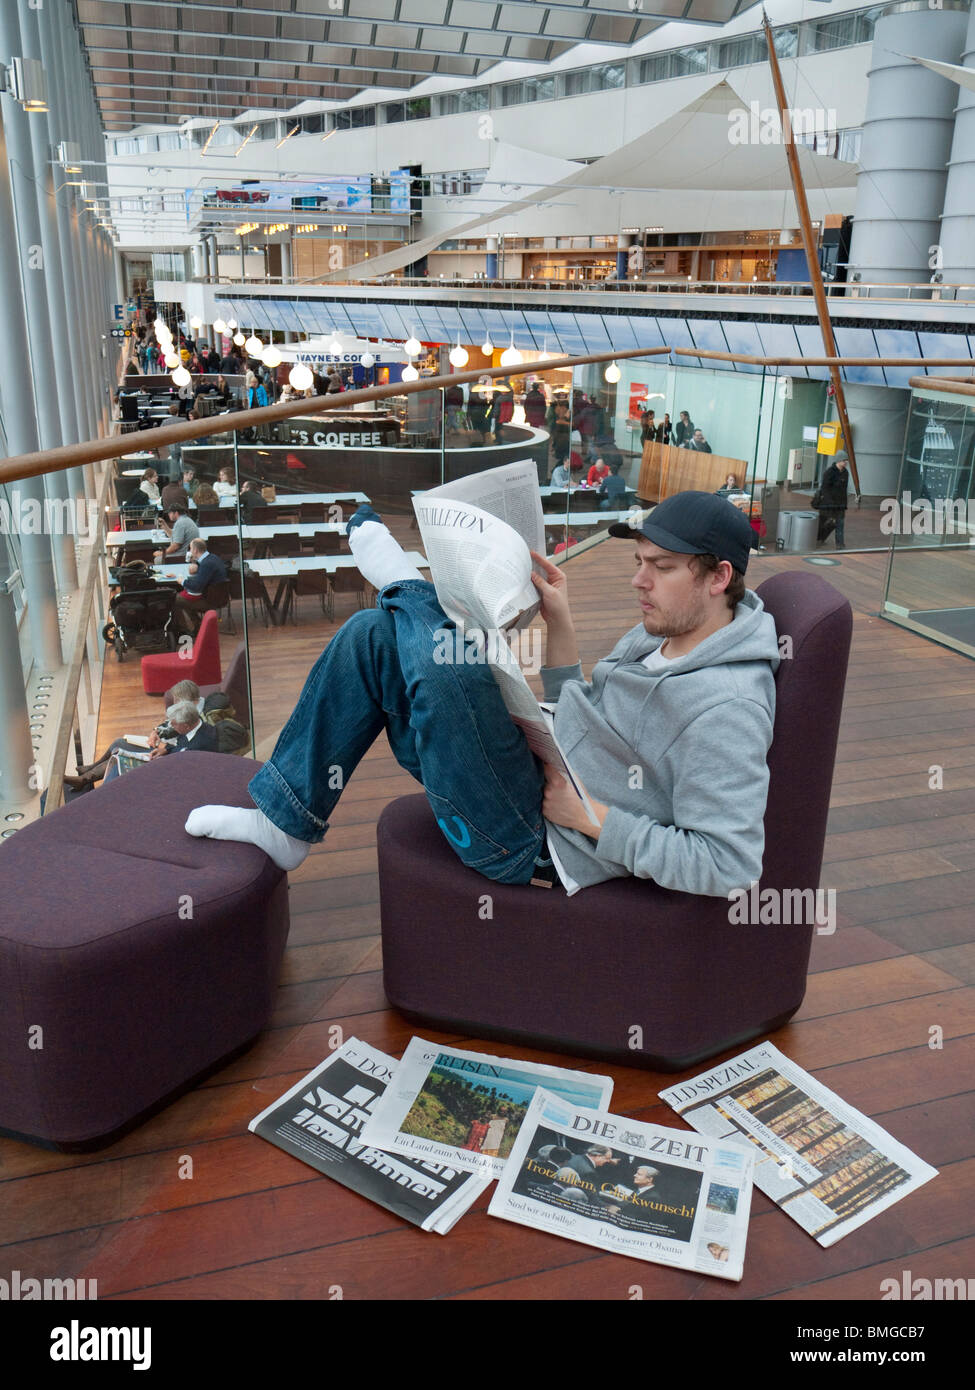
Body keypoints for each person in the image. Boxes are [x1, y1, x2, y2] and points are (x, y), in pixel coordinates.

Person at [185, 492, 778, 902]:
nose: (638, 581)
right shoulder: (670, 628)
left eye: (661, 567)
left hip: (534, 840)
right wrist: (560, 624)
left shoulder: (728, 708)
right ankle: (287, 822)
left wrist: (594, 820)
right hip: (536, 764)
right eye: (638, 562)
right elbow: (591, 715)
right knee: (371, 636)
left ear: (719, 577)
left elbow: (728, 865)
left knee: (452, 666)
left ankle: (401, 581)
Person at [173, 537, 228, 634]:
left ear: (195, 550)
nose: (190, 551)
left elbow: (196, 587)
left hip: (210, 601)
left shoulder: (206, 564)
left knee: (175, 599)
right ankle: (197, 624)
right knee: (183, 599)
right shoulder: (213, 557)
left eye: (190, 549)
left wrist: (182, 581)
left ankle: (183, 630)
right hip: (218, 596)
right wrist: (196, 564)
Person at [817, 450, 850, 549]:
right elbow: (824, 489)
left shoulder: (845, 473)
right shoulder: (829, 472)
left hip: (840, 505)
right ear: (838, 461)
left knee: (840, 524)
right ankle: (819, 539)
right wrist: (830, 503)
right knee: (824, 523)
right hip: (828, 505)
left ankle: (840, 545)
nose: (846, 462)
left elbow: (844, 490)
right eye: (844, 460)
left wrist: (844, 505)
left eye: (846, 460)